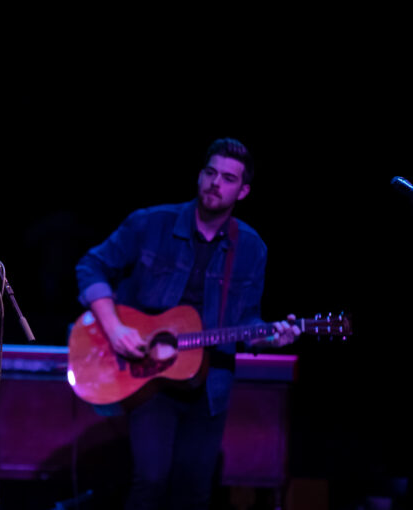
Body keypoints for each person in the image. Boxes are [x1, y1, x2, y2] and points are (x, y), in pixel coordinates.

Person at [75, 138, 302, 510]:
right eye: (210, 173)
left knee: (194, 493)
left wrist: (271, 338)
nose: (216, 183)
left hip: (210, 386)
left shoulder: (252, 248)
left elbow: (247, 322)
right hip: (149, 376)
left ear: (243, 191)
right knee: (150, 481)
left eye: (228, 178)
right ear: (199, 176)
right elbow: (91, 266)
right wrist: (114, 327)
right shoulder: (150, 223)